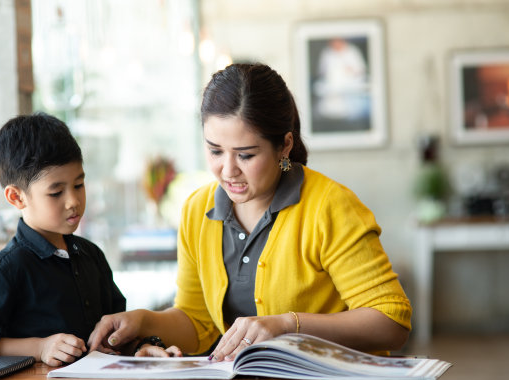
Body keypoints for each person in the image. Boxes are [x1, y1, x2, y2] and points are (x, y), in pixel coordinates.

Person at [88, 63, 412, 361]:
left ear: (284, 146)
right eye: (215, 150)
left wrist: (289, 325)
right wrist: (141, 321)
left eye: (245, 155)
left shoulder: (330, 207)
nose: (228, 170)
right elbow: (197, 321)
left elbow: (391, 321)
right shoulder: (197, 210)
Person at [0, 112, 130, 366]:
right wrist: (40, 347)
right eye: (56, 193)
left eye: (79, 185)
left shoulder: (92, 255)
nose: (73, 201)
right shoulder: (8, 269)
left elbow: (118, 322)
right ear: (16, 198)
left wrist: (139, 343)